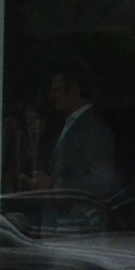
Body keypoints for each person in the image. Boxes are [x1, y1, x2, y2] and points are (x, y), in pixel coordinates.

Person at [34, 66, 117, 199]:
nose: (51, 96)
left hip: (78, 218)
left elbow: (102, 182)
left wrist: (53, 185)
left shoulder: (94, 129)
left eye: (56, 89)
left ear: (73, 89)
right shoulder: (70, 125)